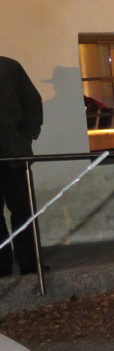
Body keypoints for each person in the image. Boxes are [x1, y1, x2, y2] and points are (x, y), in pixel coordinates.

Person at [0, 56, 43, 278]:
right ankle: (3, 265)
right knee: (22, 211)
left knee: (23, 211)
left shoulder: (9, 68)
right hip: (13, 151)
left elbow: (32, 102)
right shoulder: (10, 67)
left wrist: (25, 136)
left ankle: (28, 263)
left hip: (13, 154)